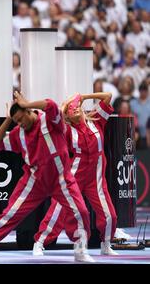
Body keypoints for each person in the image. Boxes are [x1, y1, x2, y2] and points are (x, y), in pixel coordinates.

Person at [0, 92, 93, 263]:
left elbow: (50, 104)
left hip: (61, 179)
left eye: (21, 119)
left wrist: (26, 103)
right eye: (16, 121)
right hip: (34, 181)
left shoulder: (51, 120)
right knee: (11, 214)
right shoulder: (18, 133)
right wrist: (8, 119)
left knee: (81, 211)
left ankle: (80, 249)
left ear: (29, 111)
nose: (20, 124)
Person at [33, 92, 118, 257]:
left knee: (110, 215)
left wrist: (84, 97)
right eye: (72, 109)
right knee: (57, 210)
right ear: (68, 115)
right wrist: (64, 106)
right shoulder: (67, 130)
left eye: (78, 106)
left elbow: (108, 96)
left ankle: (106, 244)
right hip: (74, 176)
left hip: (96, 178)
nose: (76, 109)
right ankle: (40, 242)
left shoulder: (96, 120)